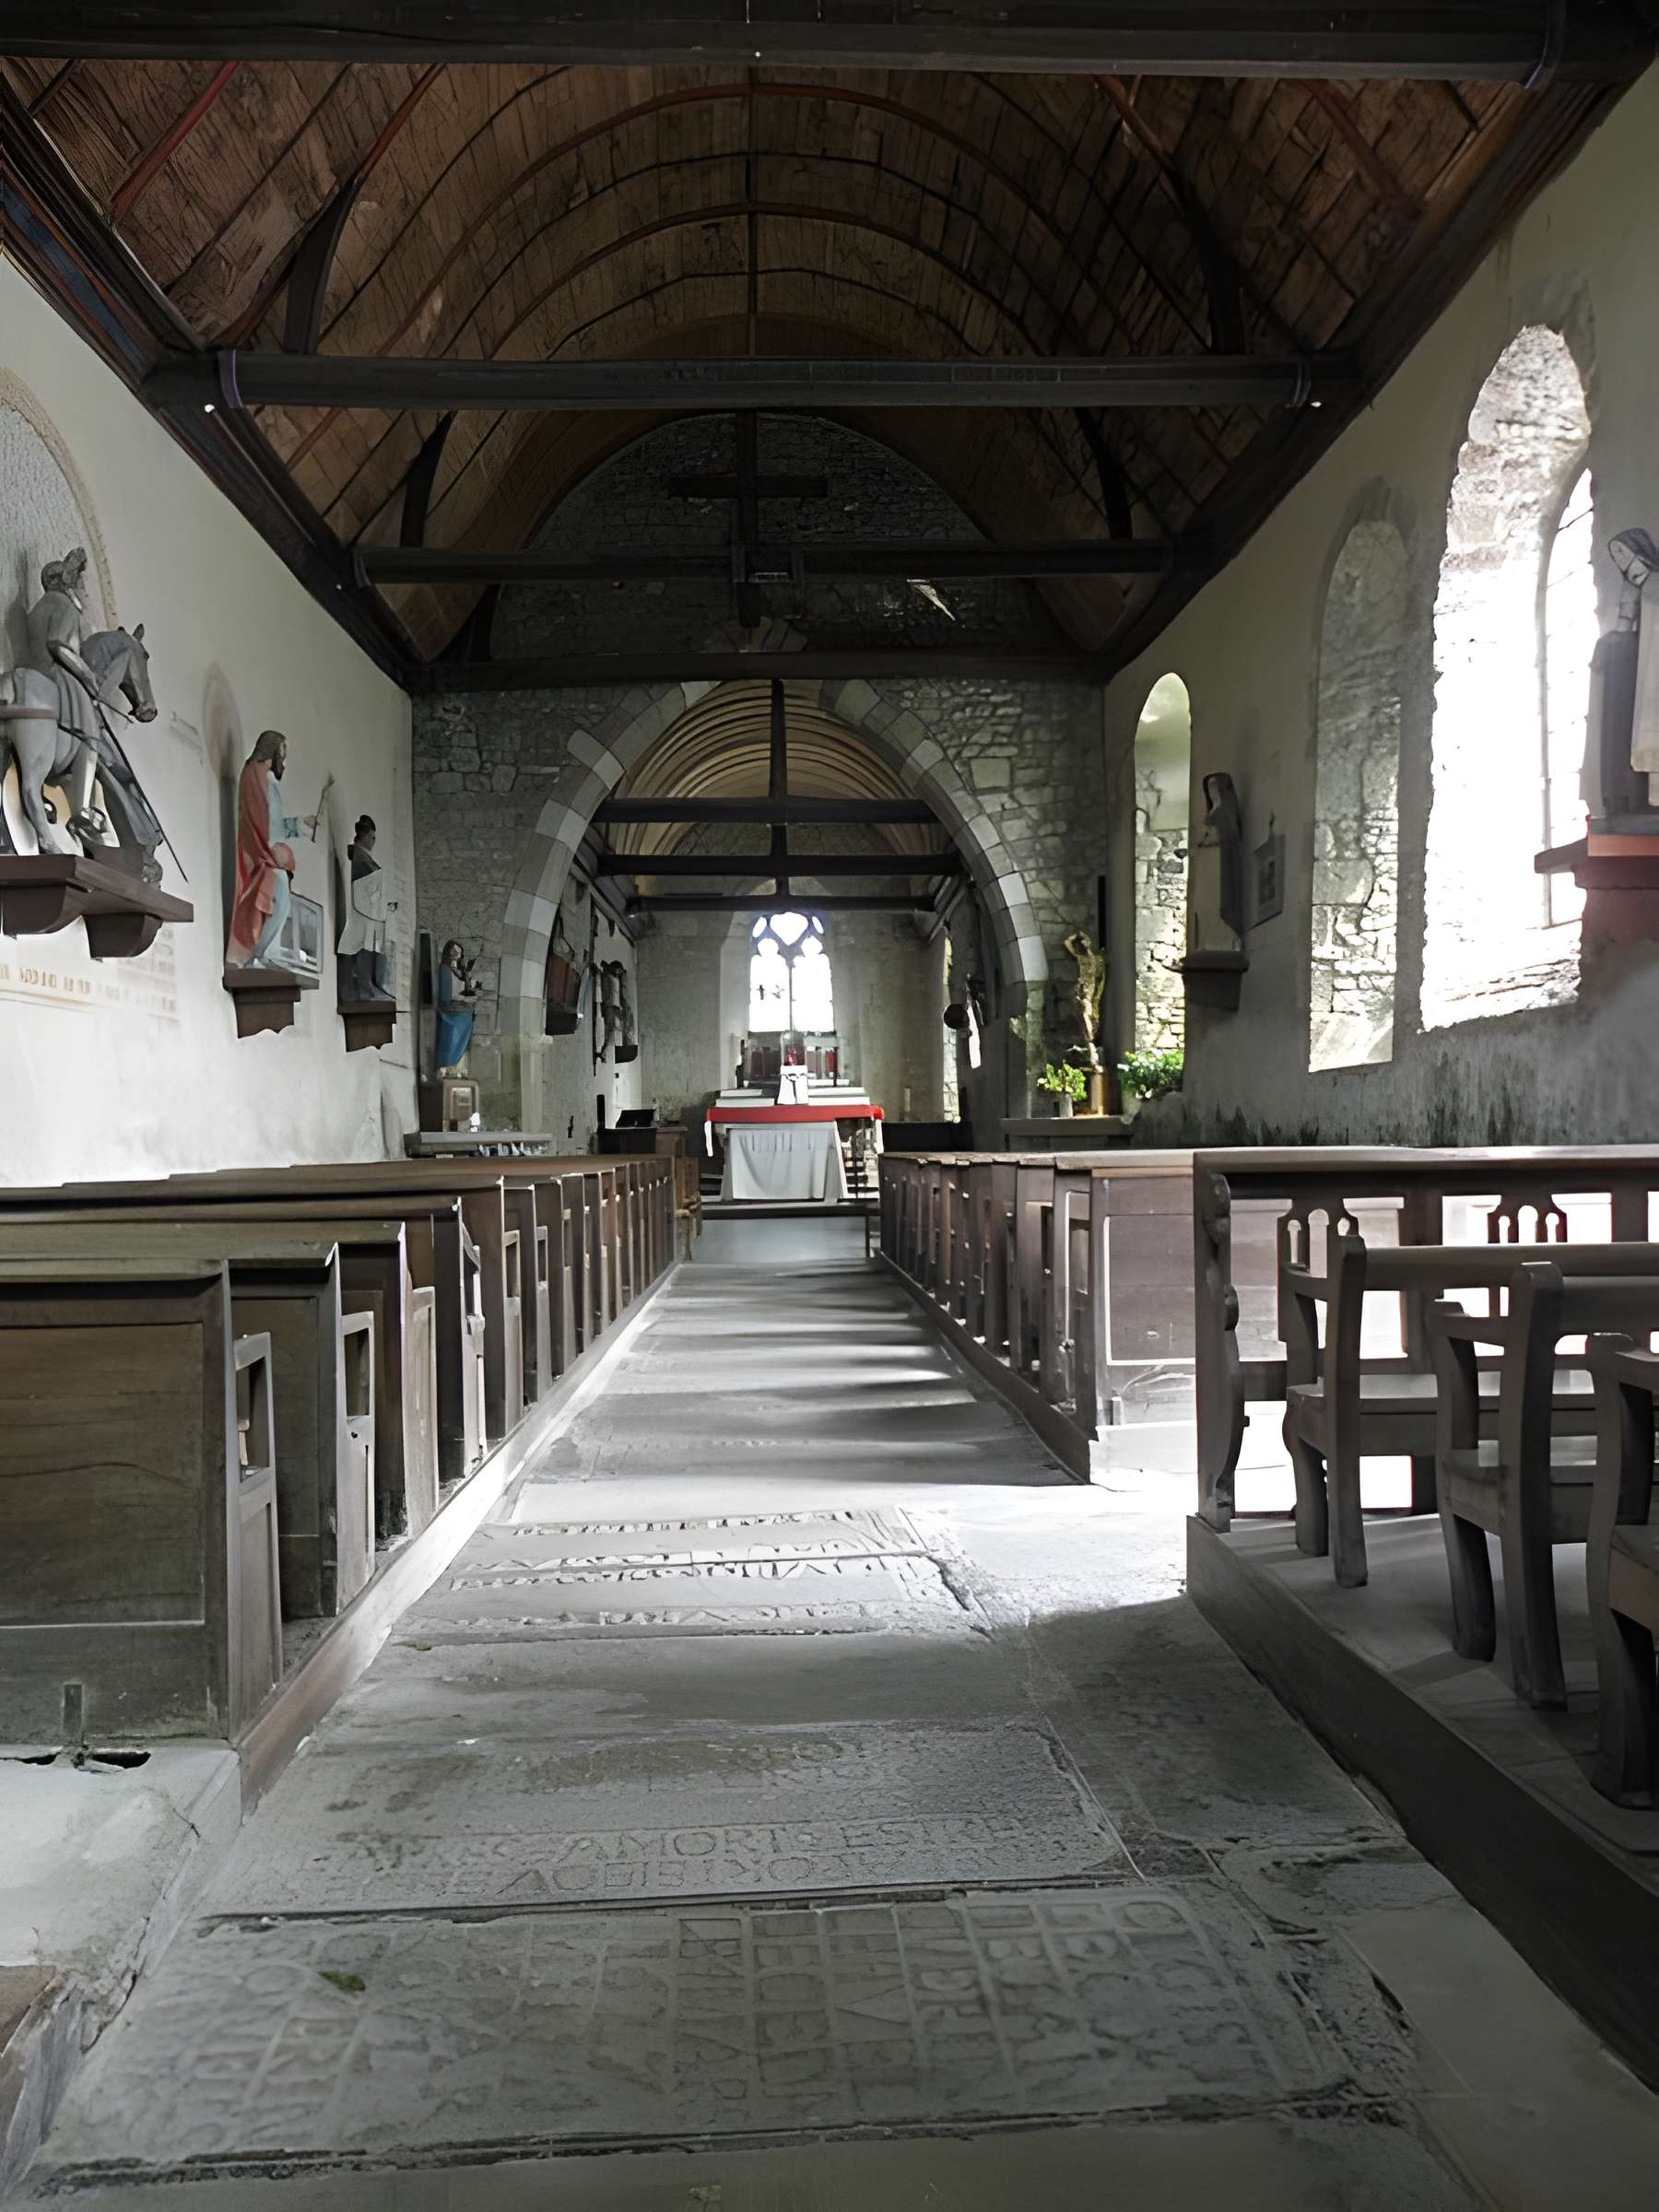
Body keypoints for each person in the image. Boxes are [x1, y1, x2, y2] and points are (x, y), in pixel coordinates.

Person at [228, 729, 318, 968]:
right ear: (273, 753)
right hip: (257, 855)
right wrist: (271, 851)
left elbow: (273, 824)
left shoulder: (264, 780)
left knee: (280, 901)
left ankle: (259, 953)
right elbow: (256, 823)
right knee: (275, 895)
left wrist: (299, 824)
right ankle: (253, 955)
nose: (284, 763)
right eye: (283, 756)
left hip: (267, 852)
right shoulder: (254, 777)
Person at [336, 814, 397, 1002]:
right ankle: (364, 991)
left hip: (371, 913)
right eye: (372, 838)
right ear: (363, 836)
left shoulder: (365, 858)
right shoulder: (360, 859)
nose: (373, 842)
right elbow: (363, 888)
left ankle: (370, 988)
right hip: (364, 914)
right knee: (362, 953)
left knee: (372, 953)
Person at [435, 938, 478, 1071]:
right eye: (453, 952)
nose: (456, 955)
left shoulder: (463, 972)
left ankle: (457, 1068)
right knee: (450, 1045)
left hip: (463, 1013)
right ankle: (446, 1067)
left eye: (458, 953)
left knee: (462, 1045)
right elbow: (445, 996)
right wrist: (463, 999)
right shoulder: (445, 969)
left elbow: (466, 988)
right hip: (451, 1014)